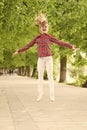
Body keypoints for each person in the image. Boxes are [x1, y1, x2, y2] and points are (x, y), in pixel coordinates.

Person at [13, 13, 76, 101]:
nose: (44, 28)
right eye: (43, 27)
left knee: (50, 76)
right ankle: (40, 94)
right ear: (40, 29)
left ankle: (52, 95)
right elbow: (28, 46)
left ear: (47, 28)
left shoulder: (49, 37)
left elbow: (59, 42)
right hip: (41, 59)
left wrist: (70, 46)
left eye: (46, 26)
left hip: (49, 58)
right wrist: (19, 51)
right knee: (40, 76)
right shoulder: (37, 38)